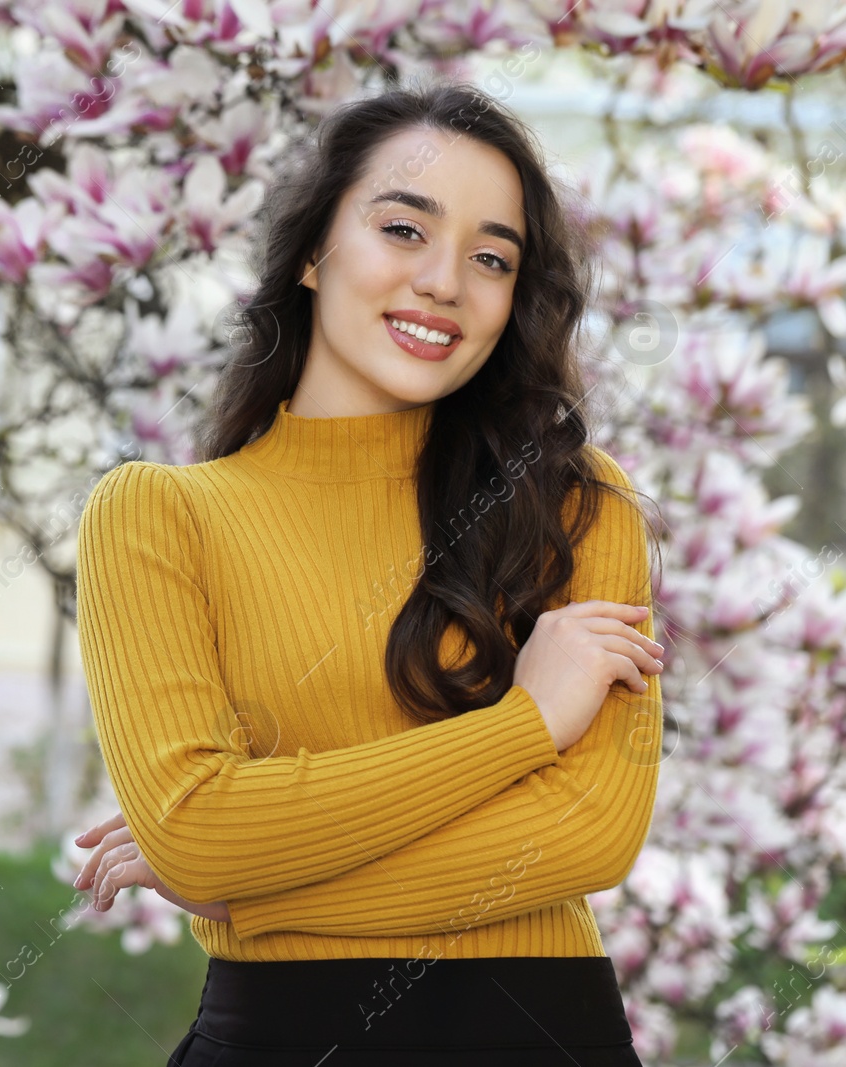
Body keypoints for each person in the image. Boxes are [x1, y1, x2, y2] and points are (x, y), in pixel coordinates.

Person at [69, 80, 668, 1065]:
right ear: (312, 252)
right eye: (403, 229)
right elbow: (195, 830)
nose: (444, 281)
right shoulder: (157, 514)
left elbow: (588, 832)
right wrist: (524, 725)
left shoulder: (572, 501)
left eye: (489, 258)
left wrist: (248, 891)